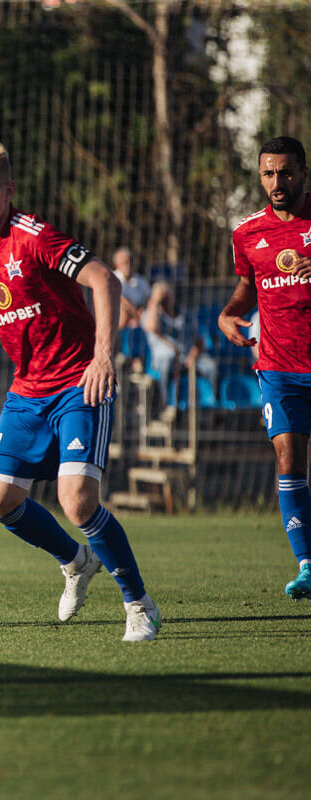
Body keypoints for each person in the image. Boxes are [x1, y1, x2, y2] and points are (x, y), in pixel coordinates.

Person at [0, 142, 161, 642]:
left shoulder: (35, 237)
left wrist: (104, 354)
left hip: (79, 383)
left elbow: (105, 281)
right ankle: (75, 561)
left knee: (78, 501)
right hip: (26, 392)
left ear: (8, 191)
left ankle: (138, 603)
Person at [218, 135, 311, 601]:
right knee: (288, 460)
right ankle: (307, 564)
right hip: (278, 367)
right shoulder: (247, 234)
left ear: (303, 173)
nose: (278, 182)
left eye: (287, 172)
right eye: (269, 173)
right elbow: (246, 287)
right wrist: (226, 312)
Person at [141, 280, 217, 407]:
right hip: (164, 360)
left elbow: (200, 340)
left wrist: (192, 355)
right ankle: (167, 406)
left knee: (210, 366)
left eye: (167, 297)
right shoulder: (151, 315)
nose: (165, 301)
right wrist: (155, 301)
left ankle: (211, 405)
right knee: (167, 361)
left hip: (187, 357)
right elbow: (152, 326)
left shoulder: (185, 315)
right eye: (162, 298)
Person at [112, 247, 150, 330]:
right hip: (119, 319)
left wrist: (141, 311)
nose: (129, 265)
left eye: (131, 262)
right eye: (125, 262)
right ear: (117, 264)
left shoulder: (141, 280)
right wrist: (136, 315)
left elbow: (149, 299)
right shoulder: (111, 279)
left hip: (140, 317)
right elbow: (122, 301)